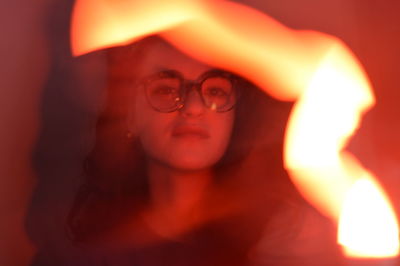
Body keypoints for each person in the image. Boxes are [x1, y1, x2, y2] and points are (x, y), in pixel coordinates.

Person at [61, 35, 341, 266]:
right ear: (131, 112)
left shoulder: (284, 236)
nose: (194, 108)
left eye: (216, 91)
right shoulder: (97, 249)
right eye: (166, 90)